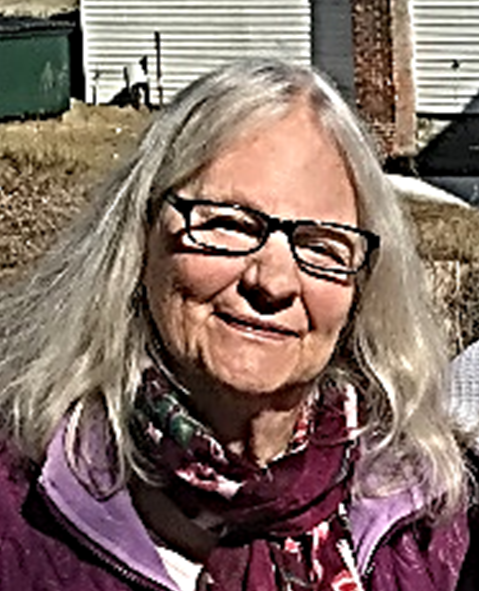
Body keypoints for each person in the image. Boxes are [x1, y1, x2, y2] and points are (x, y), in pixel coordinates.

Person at [0, 58, 470, 591]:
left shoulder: (431, 517)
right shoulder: (22, 513)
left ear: (361, 289)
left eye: (320, 245)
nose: (272, 282)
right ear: (140, 239)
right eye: (226, 224)